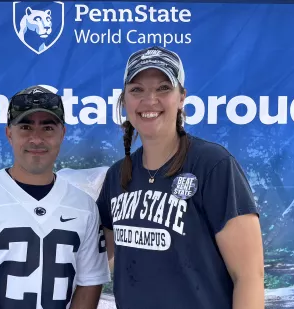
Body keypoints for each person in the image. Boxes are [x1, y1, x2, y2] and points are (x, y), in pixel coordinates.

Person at [96, 46, 265, 309]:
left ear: (182, 97)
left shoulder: (213, 165)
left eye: (163, 88)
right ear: (124, 100)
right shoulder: (117, 175)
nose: (149, 99)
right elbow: (96, 258)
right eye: (137, 89)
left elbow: (249, 277)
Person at [0, 85, 111, 309]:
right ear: (9, 133)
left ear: (62, 133)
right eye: (26, 127)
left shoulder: (84, 206)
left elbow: (90, 283)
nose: (36, 139)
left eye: (47, 128)